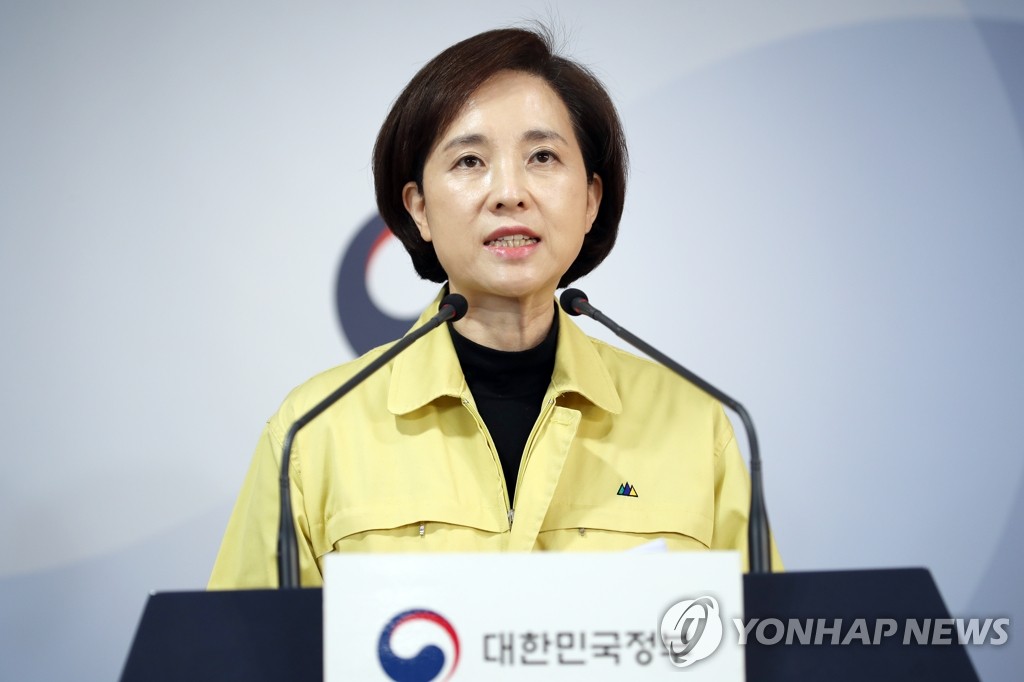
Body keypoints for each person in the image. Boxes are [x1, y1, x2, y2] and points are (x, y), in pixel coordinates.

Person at [209, 26, 779, 589]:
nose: (510, 192)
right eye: (469, 161)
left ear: (590, 200)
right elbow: (245, 642)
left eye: (542, 156)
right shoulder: (315, 432)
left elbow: (765, 637)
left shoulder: (693, 427)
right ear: (419, 209)